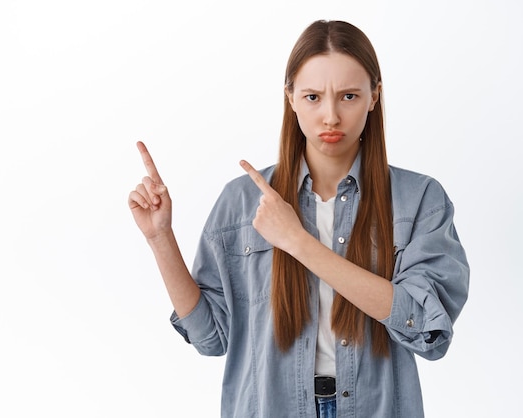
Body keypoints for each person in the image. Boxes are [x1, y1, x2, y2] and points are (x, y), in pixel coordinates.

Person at [128, 19, 469, 418]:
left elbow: (424, 327)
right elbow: (211, 338)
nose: (330, 116)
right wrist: (160, 238)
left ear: (375, 97)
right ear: (289, 97)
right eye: (312, 96)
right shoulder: (241, 202)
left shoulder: (419, 200)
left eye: (348, 96)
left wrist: (297, 240)